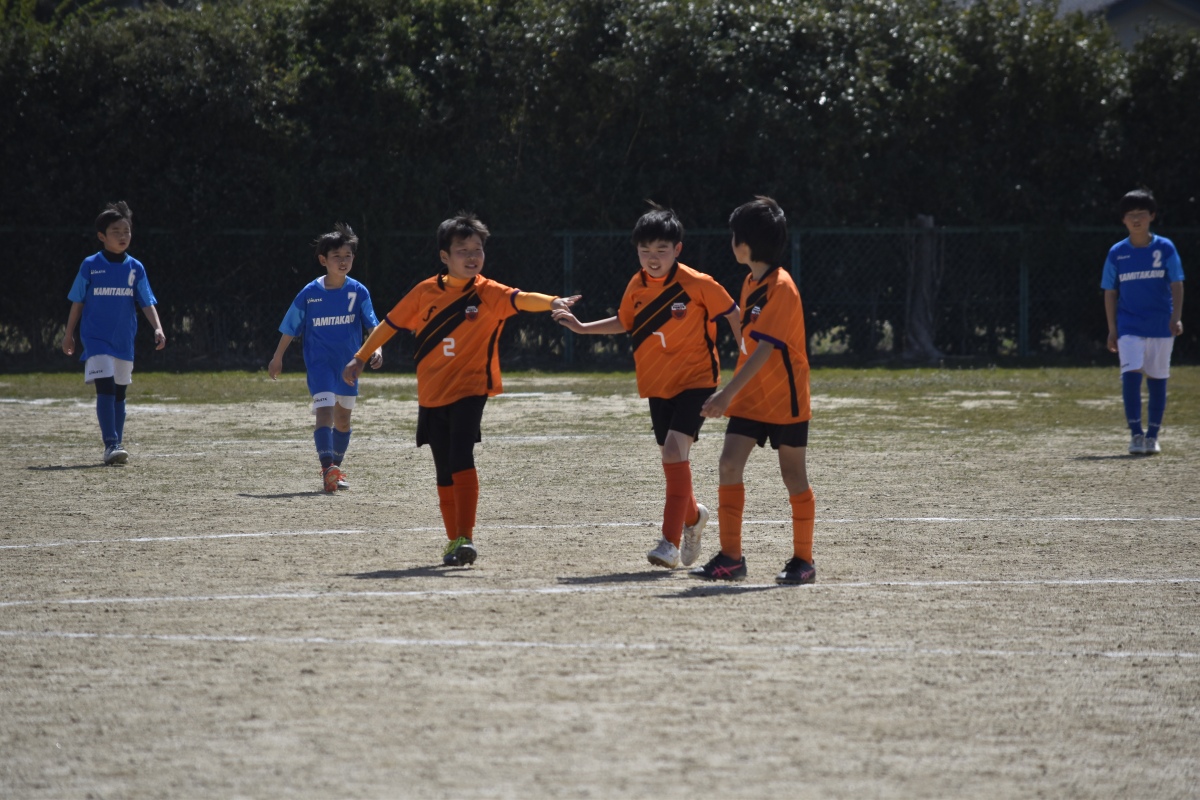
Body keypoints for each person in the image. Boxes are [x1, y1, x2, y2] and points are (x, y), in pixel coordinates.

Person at [343, 212, 579, 566]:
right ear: (444, 256)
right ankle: (454, 540)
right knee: (443, 469)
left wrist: (552, 302)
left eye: (477, 249)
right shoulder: (424, 292)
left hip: (471, 389)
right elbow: (389, 325)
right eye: (462, 250)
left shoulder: (488, 292)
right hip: (432, 394)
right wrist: (360, 357)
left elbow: (522, 298)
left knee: (460, 457)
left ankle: (466, 536)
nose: (472, 257)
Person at [553, 203, 741, 569]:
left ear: (677, 249)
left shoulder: (699, 283)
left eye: (661, 250)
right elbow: (626, 321)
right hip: (657, 385)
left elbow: (734, 314)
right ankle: (694, 518)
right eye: (645, 250)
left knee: (673, 453)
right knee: (673, 460)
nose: (653, 258)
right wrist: (582, 327)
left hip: (697, 381)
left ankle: (669, 544)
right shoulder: (637, 285)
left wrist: (743, 360)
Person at [691, 196, 817, 585]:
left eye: (734, 236)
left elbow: (764, 350)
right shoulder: (750, 283)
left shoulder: (782, 287)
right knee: (729, 464)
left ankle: (803, 561)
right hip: (750, 396)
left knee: (793, 476)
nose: (731, 242)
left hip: (784, 398)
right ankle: (731, 558)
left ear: (744, 245)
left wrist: (726, 394)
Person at [269, 223, 383, 492]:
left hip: (349, 366)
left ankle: (336, 470)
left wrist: (377, 349)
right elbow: (290, 327)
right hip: (320, 364)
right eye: (336, 256)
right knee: (324, 413)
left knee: (343, 420)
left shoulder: (358, 291)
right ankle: (327, 467)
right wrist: (277, 357)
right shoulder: (310, 293)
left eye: (348, 256)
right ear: (323, 260)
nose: (343, 261)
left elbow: (373, 325)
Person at [62, 201, 166, 465]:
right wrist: (69, 333)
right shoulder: (90, 265)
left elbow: (146, 301)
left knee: (120, 392)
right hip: (96, 339)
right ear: (102, 236)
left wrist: (157, 327)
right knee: (106, 387)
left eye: (126, 231)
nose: (122, 236)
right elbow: (77, 301)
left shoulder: (135, 268)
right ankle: (111, 444)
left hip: (123, 340)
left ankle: (116, 443)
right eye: (116, 231)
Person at [1102, 188, 1185, 455]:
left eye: (1141, 213)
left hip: (1161, 324)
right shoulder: (1117, 252)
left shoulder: (1165, 247)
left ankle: (1152, 436)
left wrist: (1176, 317)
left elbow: (1177, 283)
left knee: (1158, 378)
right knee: (1131, 375)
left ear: (1152, 216)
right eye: (1130, 215)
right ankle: (1136, 434)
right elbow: (1110, 291)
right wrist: (1113, 329)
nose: (1136, 219)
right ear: (1123, 220)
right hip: (1129, 325)